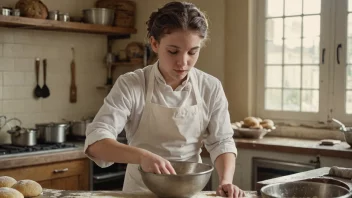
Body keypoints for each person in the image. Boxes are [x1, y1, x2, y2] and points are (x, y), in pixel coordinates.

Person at [84, 1, 245, 197]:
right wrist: (142, 156)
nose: (183, 62)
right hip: (140, 192)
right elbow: (96, 142)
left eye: (193, 52)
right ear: (154, 43)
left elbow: (222, 142)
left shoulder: (210, 87)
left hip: (191, 191)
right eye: (173, 51)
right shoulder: (132, 84)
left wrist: (226, 181)